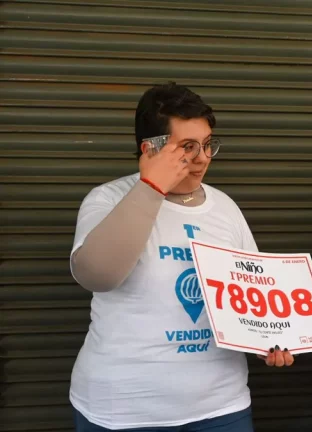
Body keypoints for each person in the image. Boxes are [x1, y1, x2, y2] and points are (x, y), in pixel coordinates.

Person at [68, 82, 294, 432]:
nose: (203, 158)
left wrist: (267, 339)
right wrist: (150, 188)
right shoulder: (108, 199)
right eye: (187, 147)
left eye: (207, 145)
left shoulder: (225, 208)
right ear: (150, 149)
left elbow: (252, 293)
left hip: (222, 408)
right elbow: (97, 275)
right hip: (123, 411)